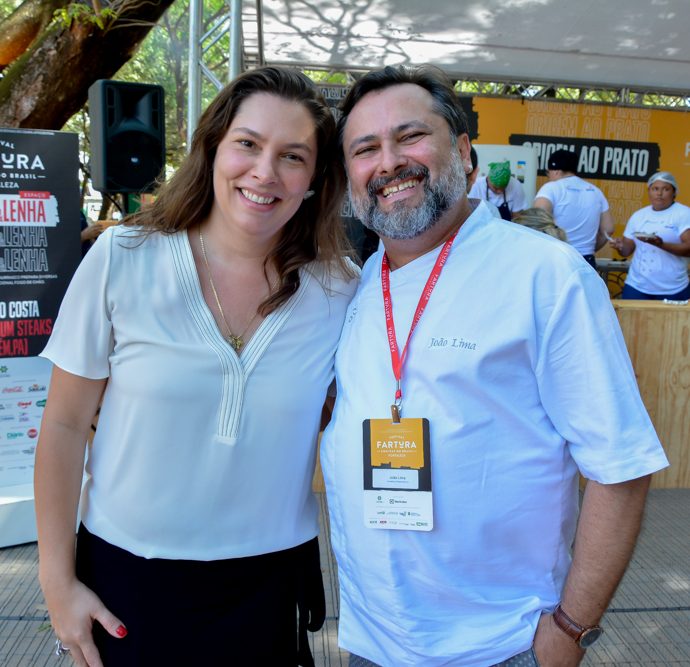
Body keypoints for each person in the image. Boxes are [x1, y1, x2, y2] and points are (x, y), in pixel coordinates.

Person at [321, 64, 668, 667]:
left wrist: (570, 632)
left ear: (463, 151)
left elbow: (622, 467)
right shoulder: (358, 284)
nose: (389, 162)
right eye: (365, 149)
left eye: (410, 136)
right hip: (373, 642)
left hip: (502, 645)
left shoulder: (545, 275)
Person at [34, 66, 358, 667]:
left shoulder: (341, 291)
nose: (265, 172)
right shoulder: (123, 257)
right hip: (128, 579)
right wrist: (57, 583)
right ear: (211, 148)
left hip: (269, 586)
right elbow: (63, 426)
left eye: (292, 156)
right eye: (247, 144)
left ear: (316, 179)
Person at [608, 171, 690, 300]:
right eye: (655, 189)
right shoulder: (639, 215)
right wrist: (620, 246)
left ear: (674, 193)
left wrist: (660, 244)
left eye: (666, 189)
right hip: (636, 286)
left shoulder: (684, 213)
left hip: (673, 288)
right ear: (649, 191)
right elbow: (626, 251)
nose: (659, 193)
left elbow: (688, 249)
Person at [534, 149, 613, 269]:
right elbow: (608, 229)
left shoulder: (551, 188)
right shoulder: (596, 192)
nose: (548, 177)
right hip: (586, 260)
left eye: (548, 173)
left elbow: (536, 221)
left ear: (555, 171)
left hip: (558, 257)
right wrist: (588, 248)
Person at [467, 146, 501, 219]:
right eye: (495, 188)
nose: (499, 191)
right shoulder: (490, 210)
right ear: (475, 174)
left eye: (503, 188)